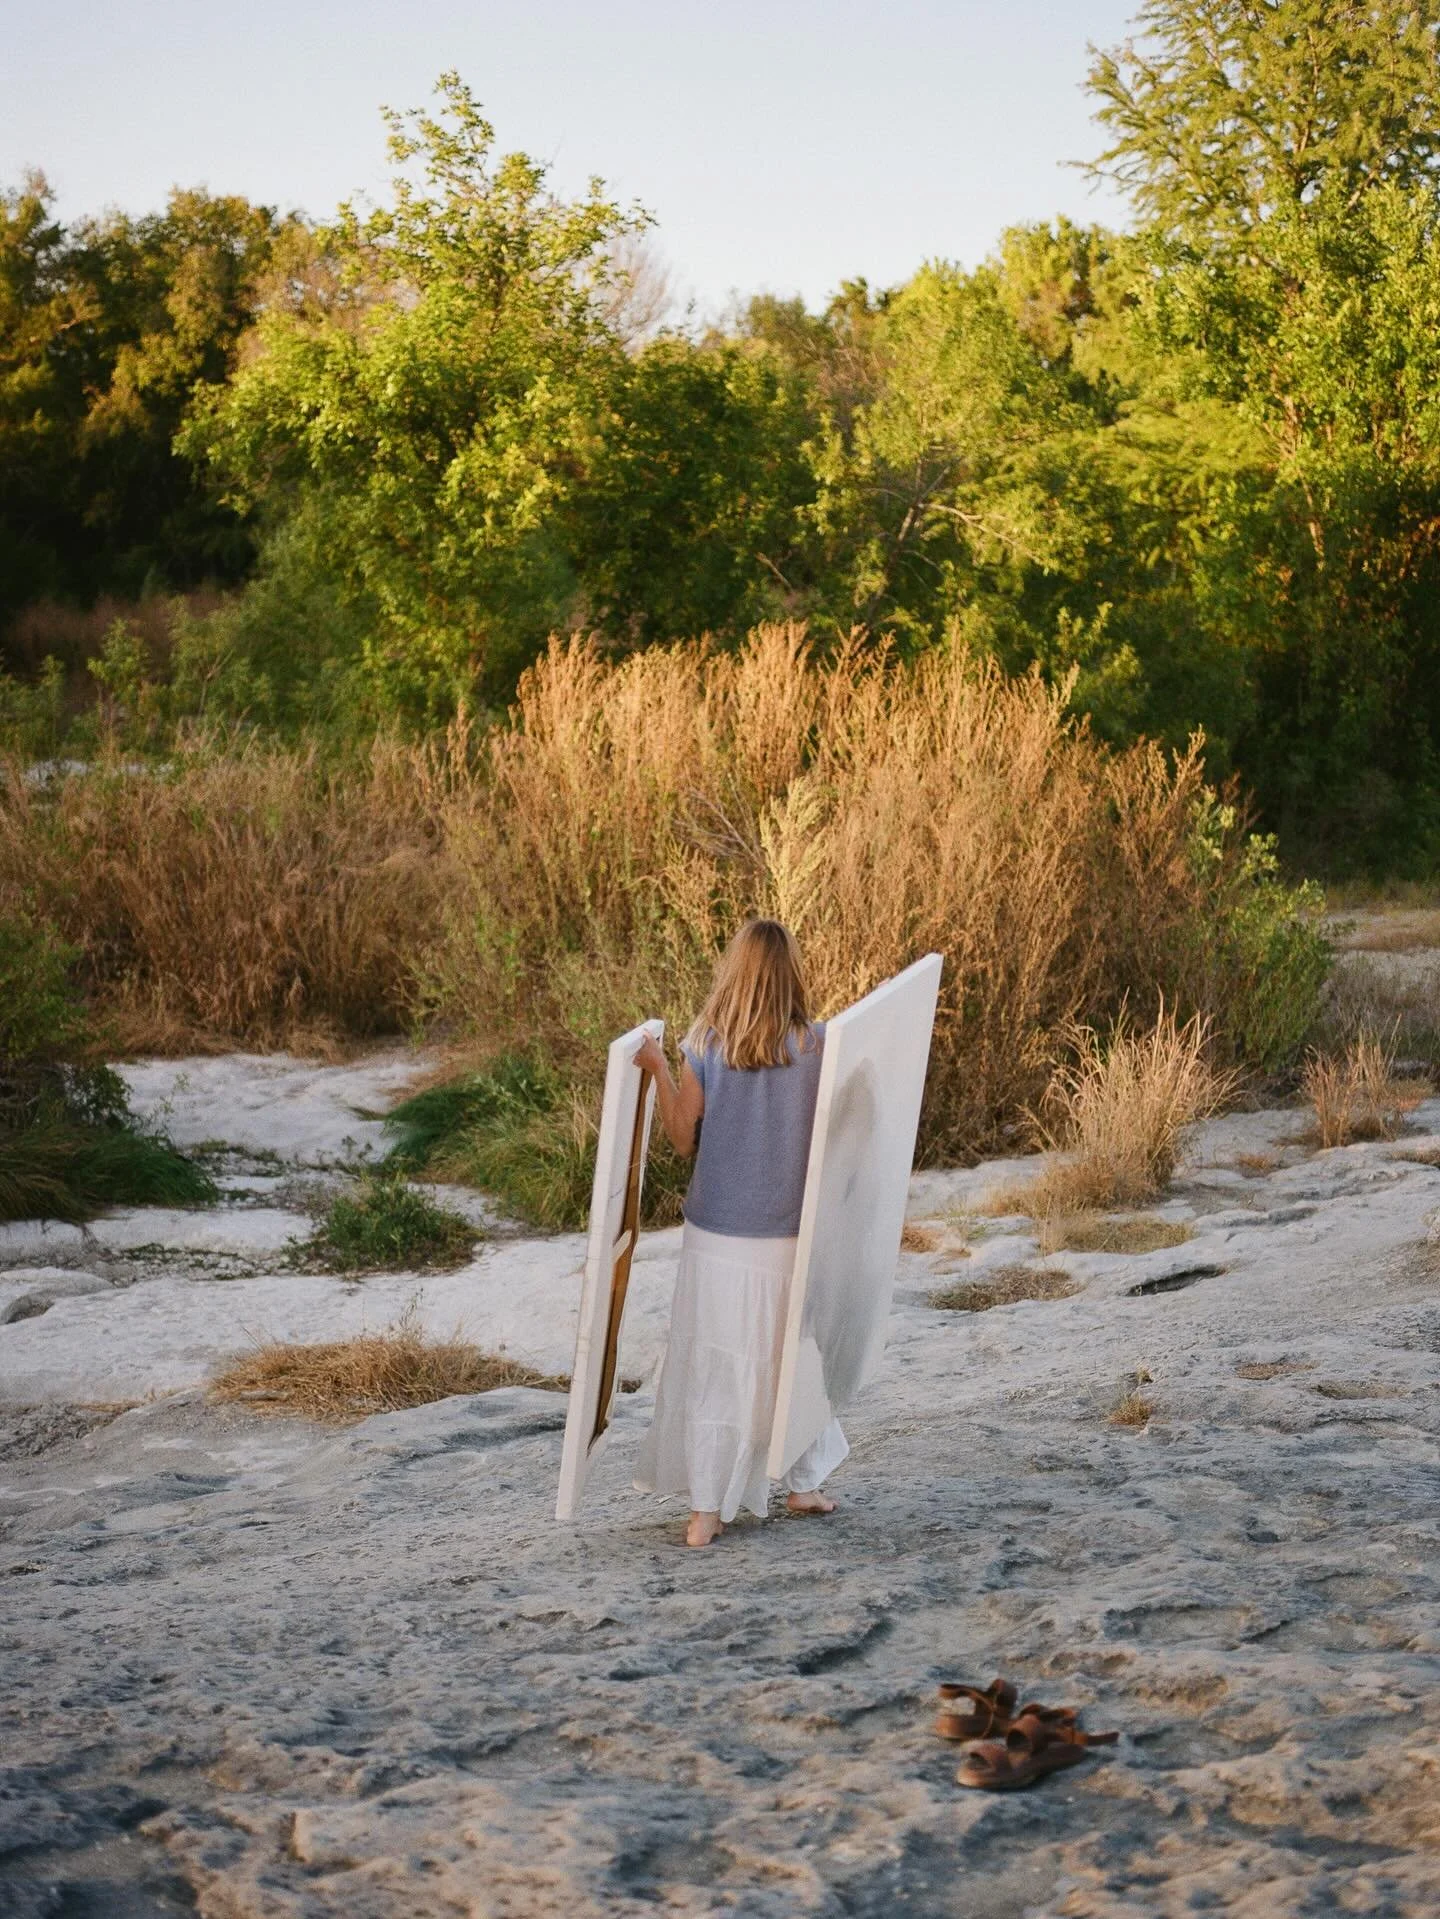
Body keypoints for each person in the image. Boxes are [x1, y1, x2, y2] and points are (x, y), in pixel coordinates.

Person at [633, 918, 847, 1548]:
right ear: (791, 975)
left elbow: (680, 1138)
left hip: (717, 1235)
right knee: (791, 1358)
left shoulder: (705, 1044)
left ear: (734, 972)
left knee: (717, 1366)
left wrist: (655, 1067)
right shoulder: (820, 1044)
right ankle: (802, 1486)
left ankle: (707, 1513)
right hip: (787, 1233)